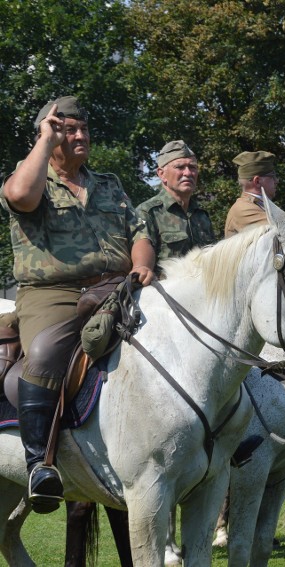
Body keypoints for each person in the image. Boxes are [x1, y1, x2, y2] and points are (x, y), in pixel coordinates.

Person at [0, 96, 155, 513]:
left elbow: (138, 229)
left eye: (83, 128)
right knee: (46, 354)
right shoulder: (30, 177)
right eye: (69, 129)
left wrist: (141, 265)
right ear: (48, 132)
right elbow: (20, 197)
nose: (81, 135)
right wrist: (45, 142)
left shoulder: (108, 183)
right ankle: (39, 465)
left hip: (118, 286)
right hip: (53, 294)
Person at [136, 140, 216, 272]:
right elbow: (143, 270)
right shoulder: (148, 213)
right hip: (165, 291)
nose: (188, 173)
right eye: (180, 167)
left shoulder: (201, 215)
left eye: (193, 167)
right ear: (162, 174)